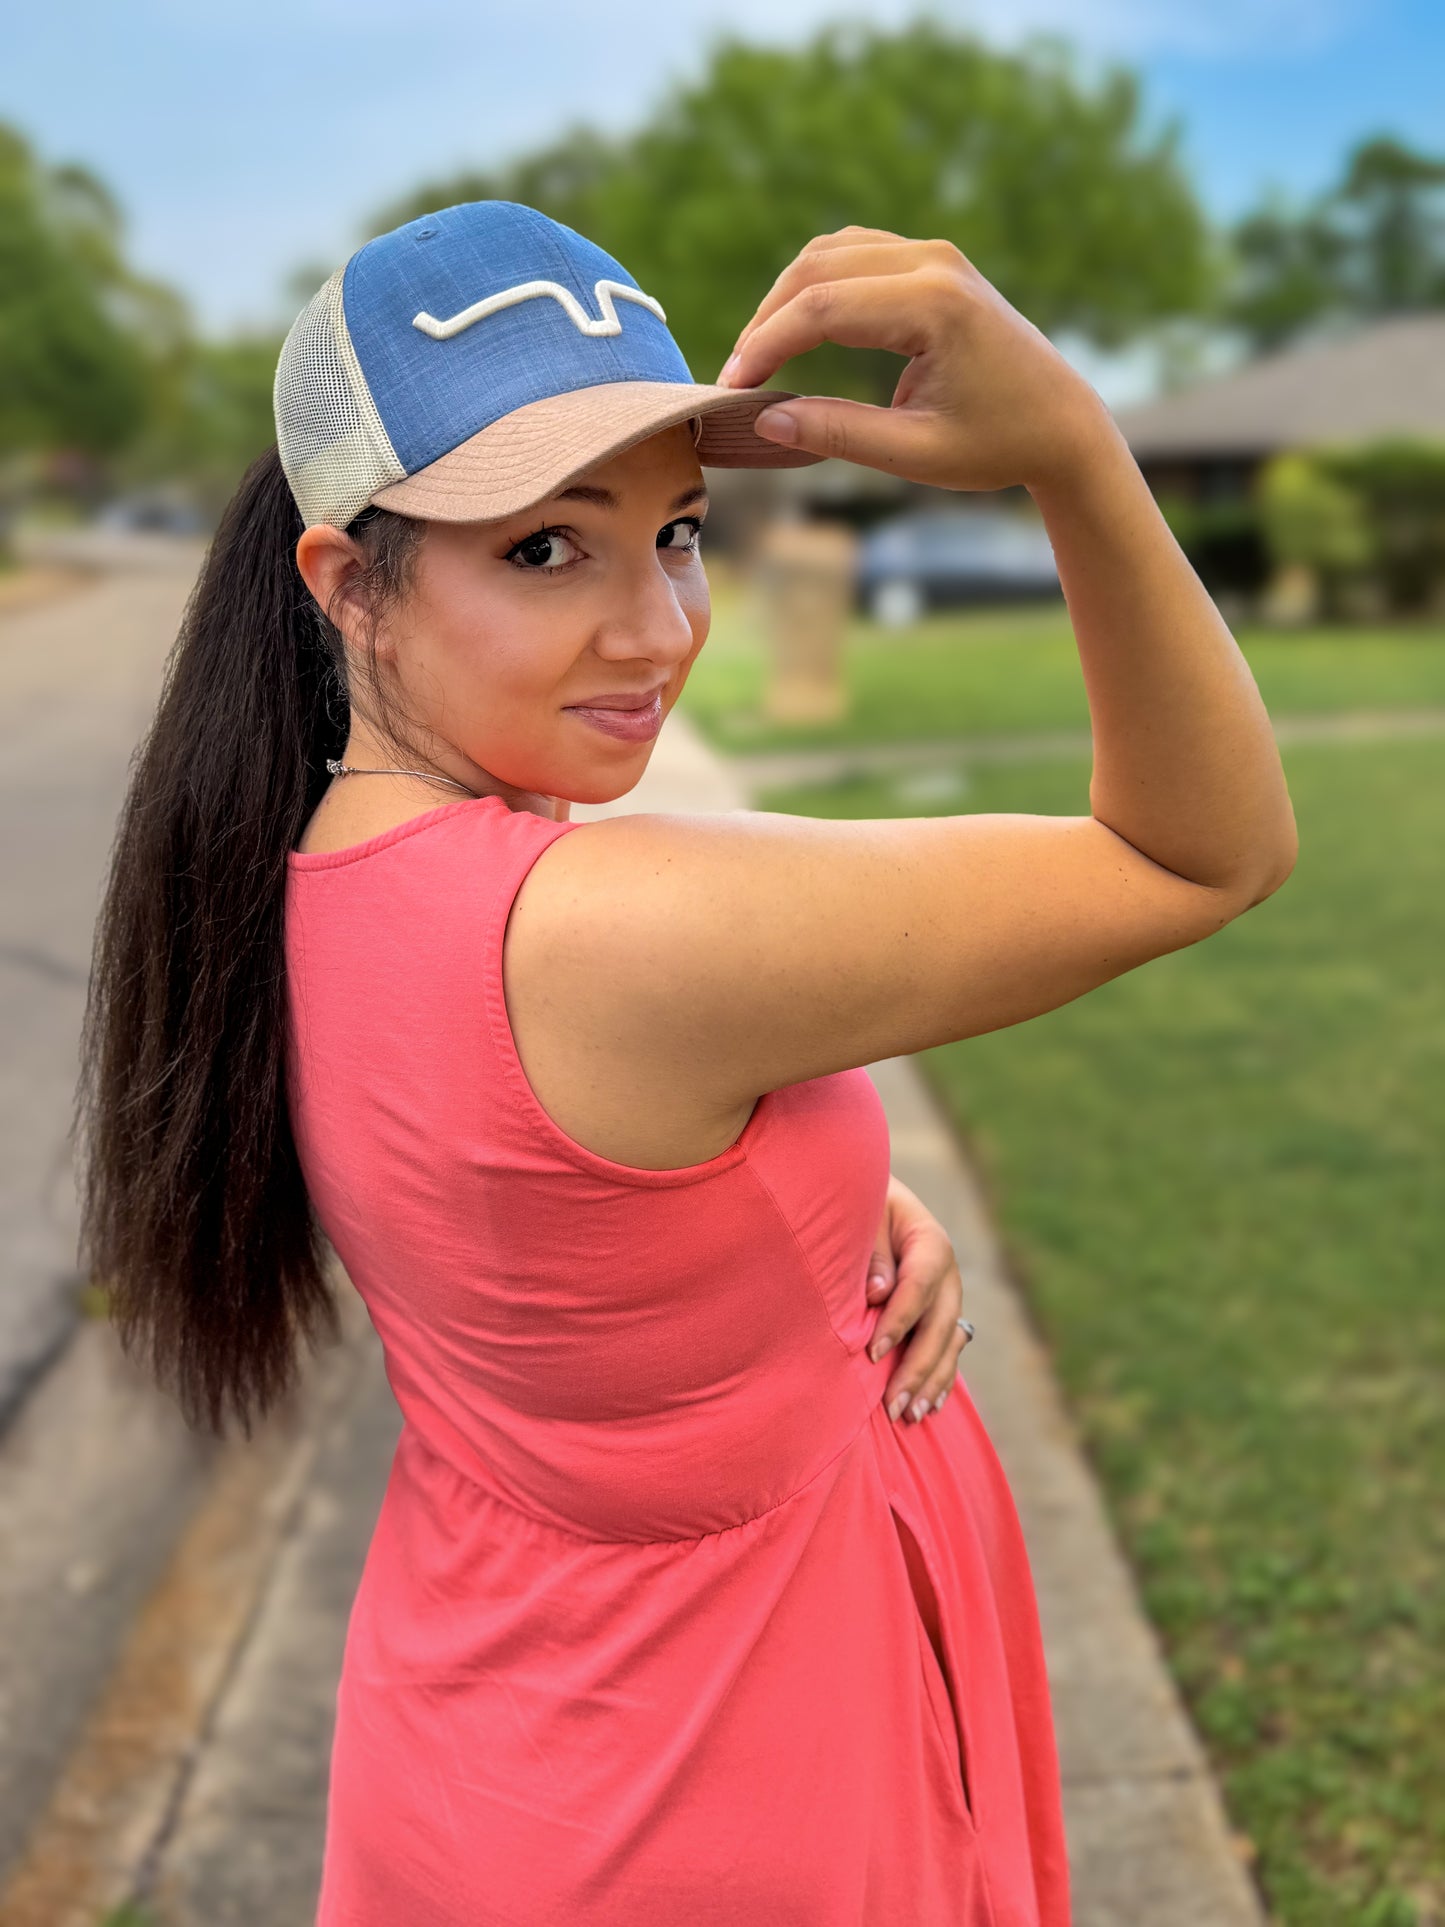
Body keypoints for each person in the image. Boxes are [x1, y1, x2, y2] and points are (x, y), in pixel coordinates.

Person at [73, 201, 1297, 1926]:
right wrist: (1076, 456)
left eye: (680, 533)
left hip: (507, 1732)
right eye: (548, 551)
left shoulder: (304, 878)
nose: (655, 632)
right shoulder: (602, 933)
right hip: (715, 1778)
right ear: (350, 586)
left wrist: (807, 1233)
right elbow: (1199, 855)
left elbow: (551, 1215)